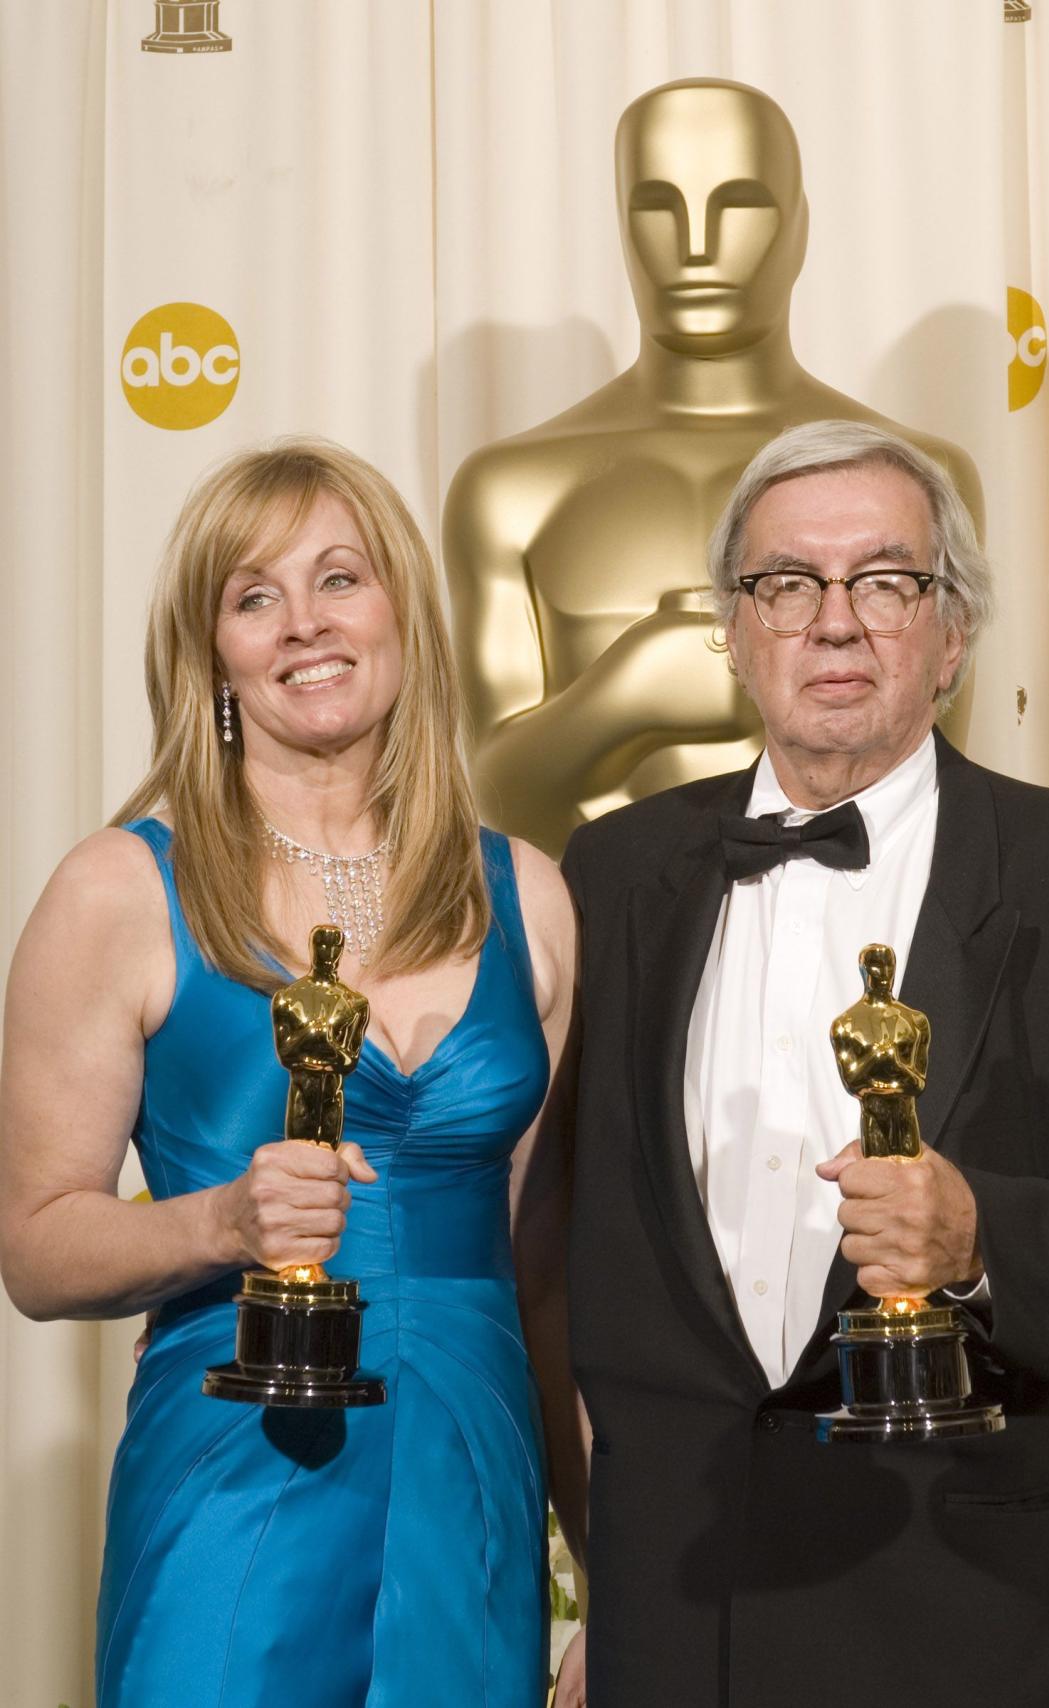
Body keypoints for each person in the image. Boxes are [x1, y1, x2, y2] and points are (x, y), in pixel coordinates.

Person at [561, 419, 1049, 1707]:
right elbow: (568, 1245)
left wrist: (978, 1234)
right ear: (735, 628)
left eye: (885, 580)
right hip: (679, 1624)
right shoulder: (609, 876)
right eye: (786, 584)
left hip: (975, 1623)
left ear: (953, 632)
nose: (834, 621)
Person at [0, 439, 587, 1707]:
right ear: (211, 651)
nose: (304, 624)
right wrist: (222, 1221)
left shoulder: (529, 893)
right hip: (236, 1467)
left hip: (471, 1478)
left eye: (341, 578)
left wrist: (606, 1570)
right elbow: (36, 1248)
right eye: (254, 596)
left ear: (402, 616)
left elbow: (546, 1270)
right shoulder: (119, 889)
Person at [444, 78, 982, 855]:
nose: (696, 245)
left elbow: (928, 772)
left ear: (800, 229)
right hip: (601, 946)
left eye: (741, 204)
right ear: (621, 230)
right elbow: (492, 790)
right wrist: (627, 694)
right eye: (658, 207)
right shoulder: (513, 490)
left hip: (866, 923)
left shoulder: (918, 476)